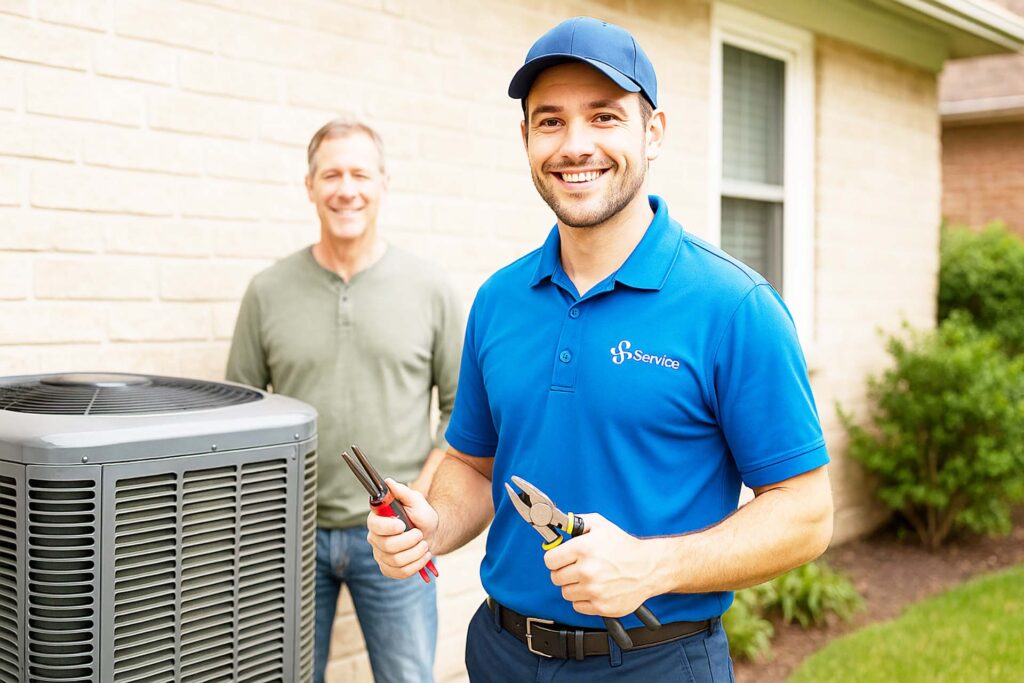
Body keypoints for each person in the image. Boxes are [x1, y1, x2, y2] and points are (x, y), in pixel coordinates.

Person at [367, 16, 833, 682]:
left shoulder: (734, 306)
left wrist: (654, 564)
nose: (575, 144)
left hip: (655, 661)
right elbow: (474, 465)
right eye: (550, 121)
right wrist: (429, 525)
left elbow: (807, 510)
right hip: (500, 654)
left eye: (605, 117)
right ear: (524, 138)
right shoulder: (500, 298)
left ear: (654, 131)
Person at [226, 119, 462, 683]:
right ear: (310, 186)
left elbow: (461, 412)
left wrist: (419, 501)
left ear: (384, 183)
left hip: (395, 534)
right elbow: (238, 415)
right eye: (331, 174)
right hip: (289, 537)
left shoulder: (430, 288)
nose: (346, 188)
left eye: (360, 173)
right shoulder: (267, 290)